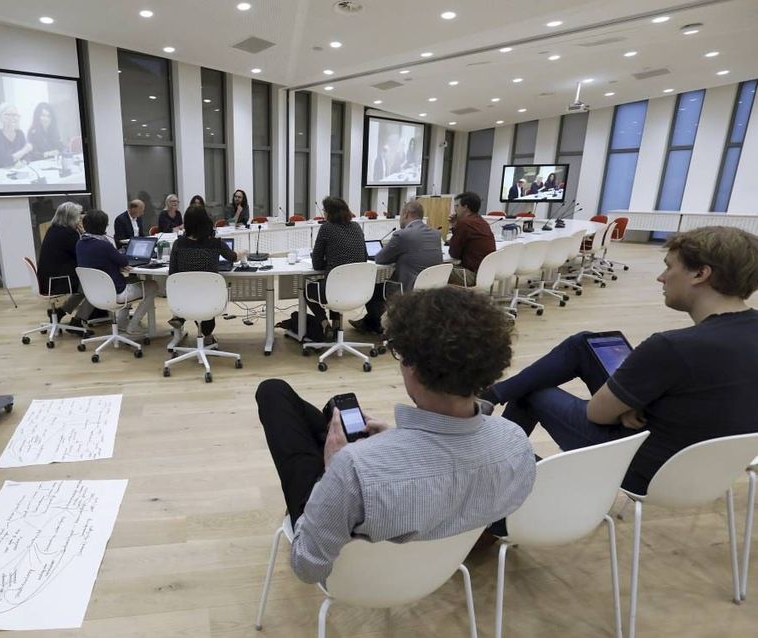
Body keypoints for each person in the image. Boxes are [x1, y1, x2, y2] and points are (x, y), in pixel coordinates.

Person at [256, 286, 536, 584]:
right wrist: (394, 438)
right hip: (444, 564)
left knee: (274, 393)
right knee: (321, 420)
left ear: (411, 369)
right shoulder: (515, 441)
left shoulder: (353, 468)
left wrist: (330, 472)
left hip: (362, 580)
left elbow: (307, 566)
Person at [480, 226, 758, 494]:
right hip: (716, 471)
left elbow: (596, 415)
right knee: (583, 344)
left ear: (700, 273)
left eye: (669, 267)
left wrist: (620, 405)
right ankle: (492, 395)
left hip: (642, 468)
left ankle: (506, 476)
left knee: (532, 392)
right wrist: (629, 402)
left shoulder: (671, 347)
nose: (661, 277)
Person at [349, 199, 444, 334]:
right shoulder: (435, 234)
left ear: (406, 214)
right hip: (431, 285)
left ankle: (376, 325)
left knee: (373, 289)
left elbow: (380, 259)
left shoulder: (403, 234)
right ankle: (370, 322)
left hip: (407, 287)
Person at [166, 206, 245, 346]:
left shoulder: (178, 244)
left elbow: (173, 273)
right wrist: (244, 252)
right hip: (210, 299)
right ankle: (207, 335)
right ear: (206, 222)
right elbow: (233, 257)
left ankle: (180, 317)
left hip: (184, 299)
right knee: (205, 307)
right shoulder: (215, 243)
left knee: (193, 294)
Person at [76, 209, 158, 336]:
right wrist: (121, 263)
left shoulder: (80, 244)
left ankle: (120, 323)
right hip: (115, 292)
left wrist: (116, 264)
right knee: (152, 285)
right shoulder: (104, 245)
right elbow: (123, 261)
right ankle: (133, 325)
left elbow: (101, 262)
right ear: (103, 226)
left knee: (132, 280)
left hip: (95, 292)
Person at [307, 196, 368, 339]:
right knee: (335, 284)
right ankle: (336, 327)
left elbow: (316, 263)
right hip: (358, 290)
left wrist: (329, 265)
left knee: (308, 290)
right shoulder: (356, 227)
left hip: (335, 290)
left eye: (324, 210)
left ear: (329, 212)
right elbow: (364, 257)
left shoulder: (326, 228)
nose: (324, 213)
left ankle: (325, 325)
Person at [37, 202, 93, 325]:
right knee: (94, 287)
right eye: (78, 216)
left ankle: (60, 312)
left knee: (85, 287)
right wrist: (84, 233)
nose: (80, 219)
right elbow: (82, 253)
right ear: (71, 218)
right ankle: (78, 320)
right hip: (60, 280)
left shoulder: (53, 229)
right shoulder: (68, 233)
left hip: (48, 278)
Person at [448, 191, 496, 286]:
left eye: (457, 206)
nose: (455, 210)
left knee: (434, 269)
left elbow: (454, 254)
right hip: (486, 273)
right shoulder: (482, 222)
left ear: (465, 207)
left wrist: (455, 226)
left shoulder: (465, 223)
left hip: (471, 275)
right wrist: (455, 226)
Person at [0, 102, 32, 169]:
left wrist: (23, 163)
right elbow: (4, 160)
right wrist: (25, 150)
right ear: (0, 117)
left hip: (18, 171)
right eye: (8, 115)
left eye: (15, 115)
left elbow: (27, 156)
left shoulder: (19, 133)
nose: (12, 118)